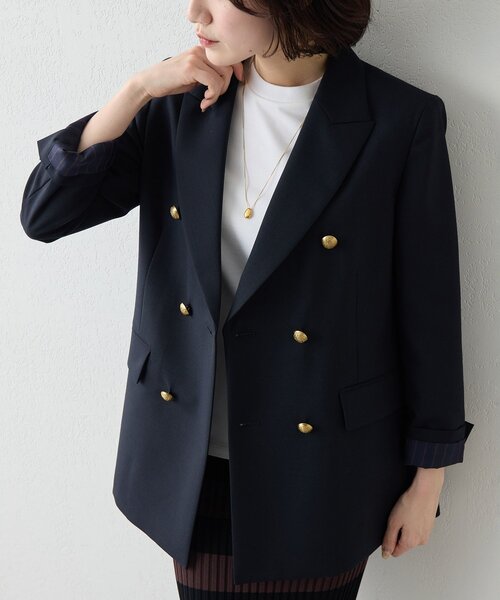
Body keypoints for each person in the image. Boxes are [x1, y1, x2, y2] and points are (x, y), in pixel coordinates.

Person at [21, 1, 474, 598]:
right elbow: (45, 215)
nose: (194, 11)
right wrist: (137, 90)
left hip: (322, 470)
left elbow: (429, 310)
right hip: (194, 461)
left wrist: (428, 479)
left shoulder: (399, 119)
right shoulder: (179, 100)